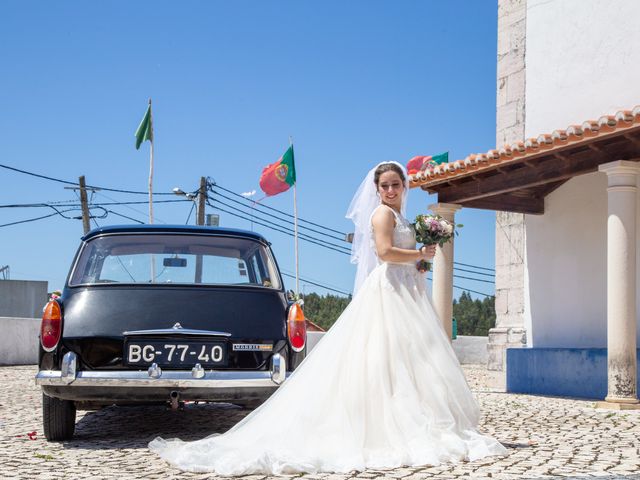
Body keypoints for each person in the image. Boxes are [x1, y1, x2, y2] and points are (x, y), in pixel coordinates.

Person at [149, 161, 507, 475]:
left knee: (408, 358)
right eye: (385, 185)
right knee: (385, 356)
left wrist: (421, 260)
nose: (391, 190)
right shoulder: (382, 214)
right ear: (377, 189)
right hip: (389, 291)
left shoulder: (401, 217)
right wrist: (418, 253)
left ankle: (412, 418)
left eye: (396, 184)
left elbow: (403, 256)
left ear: (404, 186)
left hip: (406, 290)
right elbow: (384, 253)